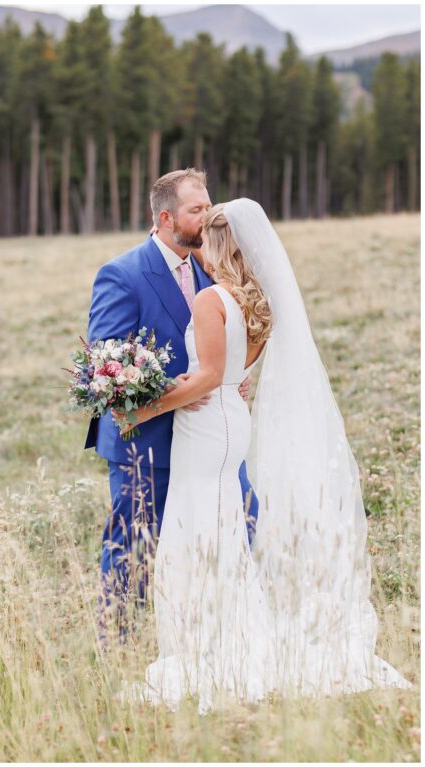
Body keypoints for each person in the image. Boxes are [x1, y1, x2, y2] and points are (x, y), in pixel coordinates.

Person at [124, 198, 412, 711]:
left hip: (206, 426)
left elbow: (208, 376)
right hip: (232, 422)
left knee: (200, 524)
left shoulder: (212, 300)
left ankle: (217, 642)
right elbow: (233, 373)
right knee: (223, 522)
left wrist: (142, 410)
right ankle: (224, 626)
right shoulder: (254, 302)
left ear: (218, 245)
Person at [85, 169, 257, 637]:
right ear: (165, 217)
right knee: (135, 546)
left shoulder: (213, 266)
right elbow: (106, 364)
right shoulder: (122, 275)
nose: (208, 215)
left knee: (244, 521)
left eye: (208, 205)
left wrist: (230, 378)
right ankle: (116, 644)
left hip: (210, 439)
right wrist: (178, 388)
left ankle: (228, 634)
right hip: (147, 441)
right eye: (196, 209)